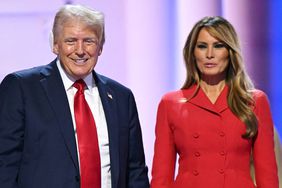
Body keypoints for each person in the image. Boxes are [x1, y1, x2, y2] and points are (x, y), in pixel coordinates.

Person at [0, 4, 149, 188]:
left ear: (101, 46)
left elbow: (135, 171)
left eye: (89, 41)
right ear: (55, 45)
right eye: (71, 41)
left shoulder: (121, 97)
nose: (80, 50)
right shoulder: (21, 88)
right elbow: (4, 166)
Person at [151, 16, 279, 188]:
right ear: (192, 53)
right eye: (202, 46)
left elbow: (268, 176)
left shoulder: (254, 102)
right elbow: (161, 178)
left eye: (218, 46)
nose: (209, 54)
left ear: (230, 52)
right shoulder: (171, 103)